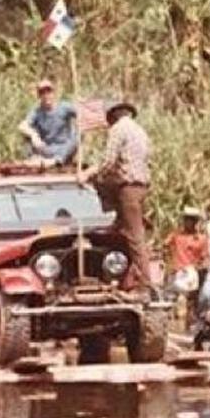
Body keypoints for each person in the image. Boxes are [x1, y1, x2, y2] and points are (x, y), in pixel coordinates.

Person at [78, 99, 152, 292]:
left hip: (128, 187)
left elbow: (109, 161)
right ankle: (117, 218)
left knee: (136, 238)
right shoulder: (140, 131)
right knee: (130, 233)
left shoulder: (119, 130)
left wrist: (89, 173)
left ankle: (146, 284)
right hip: (141, 185)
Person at [18, 79, 78, 166]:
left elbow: (82, 113)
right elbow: (22, 126)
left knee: (78, 135)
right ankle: (36, 159)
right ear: (39, 96)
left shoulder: (64, 107)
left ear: (53, 93)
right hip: (46, 148)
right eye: (43, 93)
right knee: (27, 135)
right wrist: (33, 135)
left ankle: (56, 161)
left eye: (48, 92)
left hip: (64, 148)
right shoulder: (37, 111)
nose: (46, 95)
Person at [165, 207, 208, 303]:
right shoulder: (176, 236)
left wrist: (194, 268)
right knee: (170, 300)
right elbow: (164, 248)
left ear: (196, 222)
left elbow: (204, 259)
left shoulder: (201, 239)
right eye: (187, 219)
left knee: (188, 300)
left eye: (192, 219)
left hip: (190, 274)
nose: (188, 222)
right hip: (175, 272)